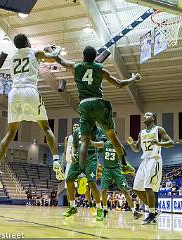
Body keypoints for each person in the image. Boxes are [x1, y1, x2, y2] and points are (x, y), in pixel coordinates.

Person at [48, 45, 139, 177]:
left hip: (85, 105)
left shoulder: (76, 67)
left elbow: (59, 60)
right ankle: (124, 165)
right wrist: (133, 78)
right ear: (95, 57)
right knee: (113, 138)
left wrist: (51, 50)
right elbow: (119, 83)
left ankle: (81, 172)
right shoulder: (100, 69)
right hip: (99, 104)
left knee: (84, 140)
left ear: (83, 57)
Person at [0, 34, 64, 188]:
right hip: (30, 91)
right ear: (28, 42)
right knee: (46, 128)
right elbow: (53, 57)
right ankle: (56, 160)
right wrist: (57, 48)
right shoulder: (35, 52)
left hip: (14, 93)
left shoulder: (12, 57)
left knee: (10, 133)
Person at [127, 112, 174, 225]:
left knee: (148, 186)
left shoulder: (158, 129)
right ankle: (154, 209)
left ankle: (151, 214)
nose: (145, 116)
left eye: (148, 115)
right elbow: (137, 149)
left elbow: (171, 143)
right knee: (136, 188)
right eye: (144, 115)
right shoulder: (141, 133)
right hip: (144, 161)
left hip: (155, 159)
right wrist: (131, 143)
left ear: (153, 118)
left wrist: (159, 143)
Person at [63, 125, 104, 221]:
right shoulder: (77, 131)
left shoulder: (97, 130)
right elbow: (74, 146)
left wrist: (93, 143)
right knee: (69, 179)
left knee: (92, 183)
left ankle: (99, 209)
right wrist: (73, 153)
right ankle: (72, 207)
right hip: (78, 158)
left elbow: (103, 144)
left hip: (91, 158)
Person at [95, 138, 142, 219]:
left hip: (117, 170)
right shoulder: (105, 144)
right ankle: (105, 209)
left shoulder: (120, 146)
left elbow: (123, 160)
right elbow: (95, 144)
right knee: (103, 191)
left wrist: (128, 168)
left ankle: (134, 212)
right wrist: (89, 142)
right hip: (106, 170)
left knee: (126, 192)